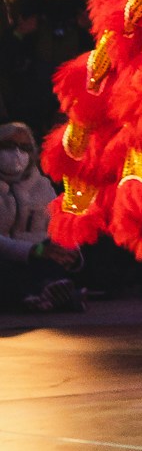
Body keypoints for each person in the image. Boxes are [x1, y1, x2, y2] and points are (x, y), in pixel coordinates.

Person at [0, 120, 80, 316]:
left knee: (65, 250)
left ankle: (43, 295)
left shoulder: (42, 186)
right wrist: (33, 250)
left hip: (37, 258)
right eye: (9, 146)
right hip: (9, 258)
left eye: (24, 147)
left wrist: (71, 253)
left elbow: (58, 226)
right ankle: (45, 296)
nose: (17, 153)